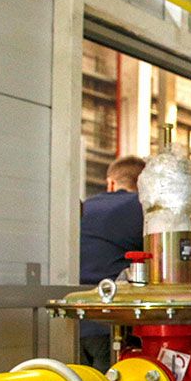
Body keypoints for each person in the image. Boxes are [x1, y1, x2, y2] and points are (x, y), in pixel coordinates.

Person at [78, 155, 145, 369]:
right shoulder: (142, 207)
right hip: (112, 325)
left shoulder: (86, 207)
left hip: (75, 322)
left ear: (111, 183)